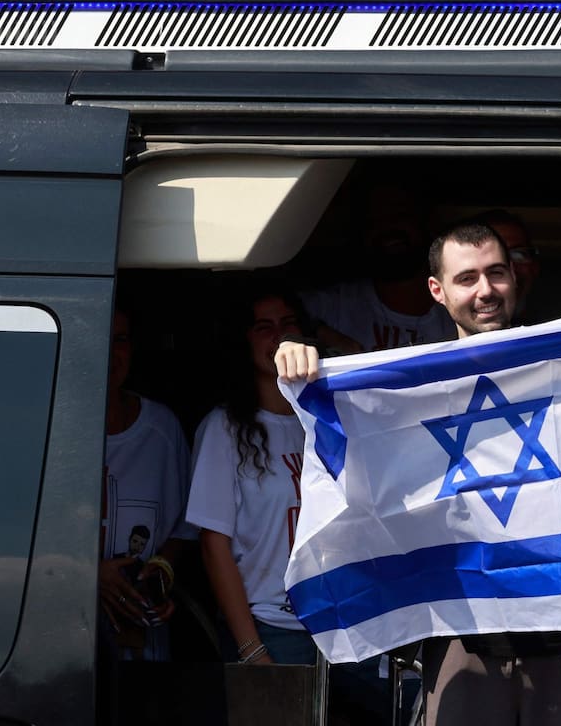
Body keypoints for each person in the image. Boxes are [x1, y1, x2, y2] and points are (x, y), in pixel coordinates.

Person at [275, 221, 561, 726]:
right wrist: (297, 348)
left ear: (516, 276)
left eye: (496, 273)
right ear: (437, 291)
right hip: (462, 639)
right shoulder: (405, 394)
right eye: (467, 278)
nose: (485, 291)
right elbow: (350, 430)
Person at [187, 285, 398, 723]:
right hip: (272, 628)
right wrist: (251, 649)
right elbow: (214, 545)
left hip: (346, 624)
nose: (279, 337)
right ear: (243, 342)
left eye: (288, 325)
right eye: (264, 328)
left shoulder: (334, 418)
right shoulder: (224, 428)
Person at [99, 303, 195, 663]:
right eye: (100, 336)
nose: (109, 352)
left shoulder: (161, 429)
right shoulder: (47, 421)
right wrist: (87, 574)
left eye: (120, 339)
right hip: (57, 619)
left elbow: (186, 527)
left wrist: (160, 573)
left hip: (138, 628)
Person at [302, 182, 456, 354]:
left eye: (399, 216)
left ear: (424, 222)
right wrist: (317, 334)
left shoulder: (460, 298)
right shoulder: (337, 306)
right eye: (374, 221)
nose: (388, 227)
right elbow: (276, 317)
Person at [475, 208, 542, 324]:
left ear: (535, 267)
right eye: (493, 256)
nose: (510, 272)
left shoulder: (559, 328)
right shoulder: (439, 337)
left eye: (519, 255)